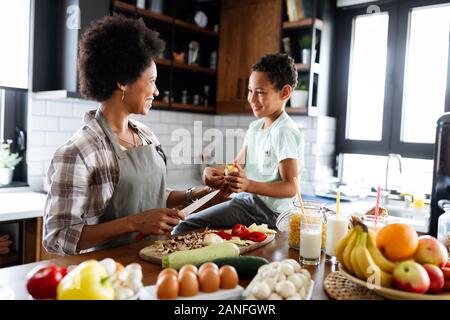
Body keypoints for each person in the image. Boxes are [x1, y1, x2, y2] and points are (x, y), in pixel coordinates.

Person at [43, 15, 213, 255]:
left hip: (157, 261)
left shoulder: (146, 136)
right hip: (106, 275)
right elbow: (58, 236)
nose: (156, 90)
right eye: (152, 81)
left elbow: (148, 197)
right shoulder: (78, 152)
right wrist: (135, 222)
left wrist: (196, 194)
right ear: (123, 81)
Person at [173, 53, 304, 234]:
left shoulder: (284, 131)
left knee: (185, 226)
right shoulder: (255, 127)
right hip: (248, 202)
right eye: (250, 91)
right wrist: (212, 172)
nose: (251, 99)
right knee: (184, 221)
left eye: (260, 92)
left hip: (269, 213)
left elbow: (291, 188)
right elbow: (235, 166)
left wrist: (248, 185)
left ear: (285, 92)